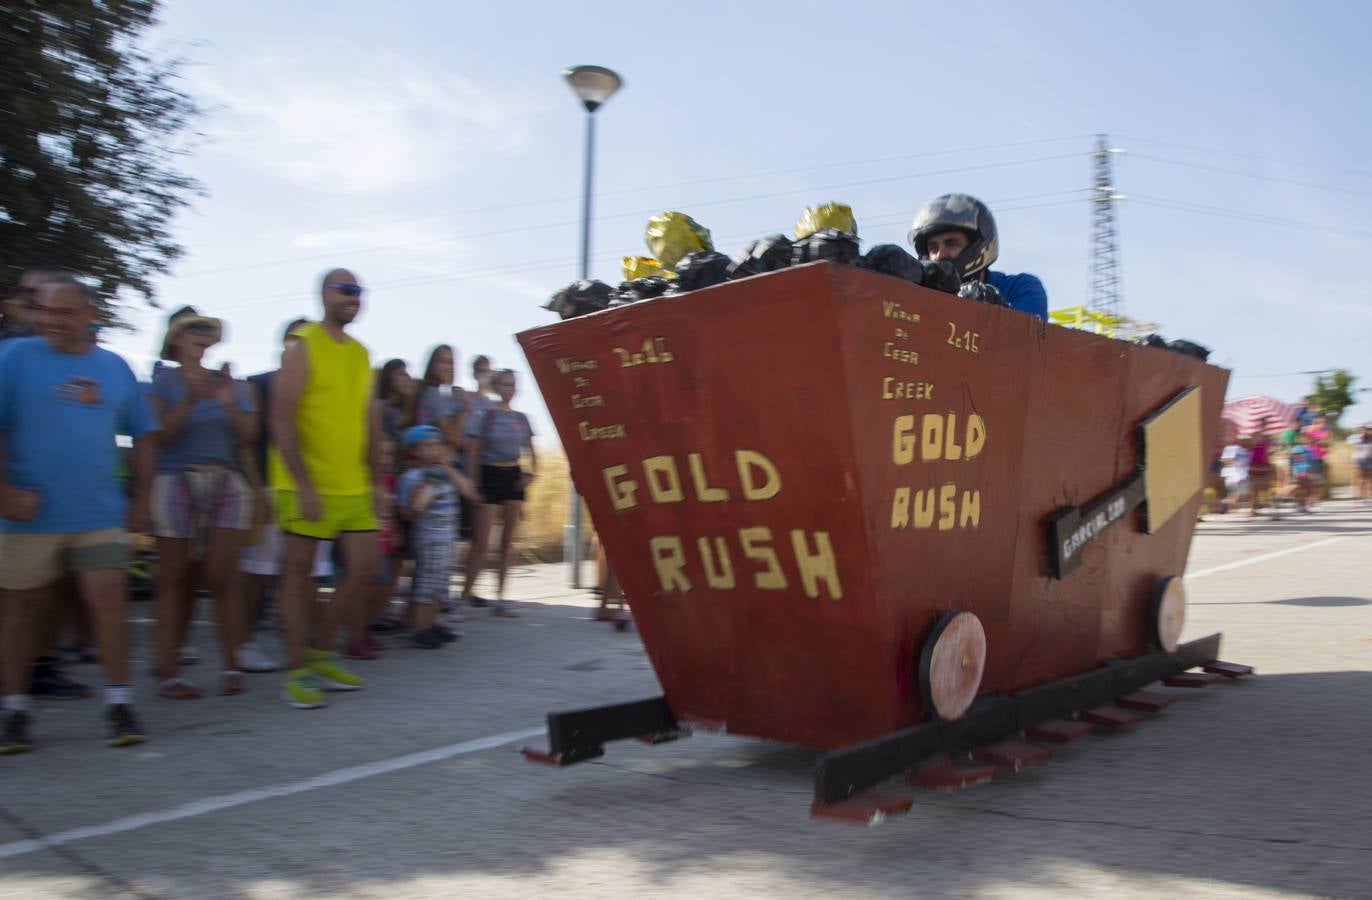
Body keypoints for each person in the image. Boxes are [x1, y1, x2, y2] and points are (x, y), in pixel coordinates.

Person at [0, 274, 155, 753]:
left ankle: (119, 702)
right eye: (44, 311)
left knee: (108, 600)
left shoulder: (115, 368)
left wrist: (142, 500)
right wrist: (3, 492)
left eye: (64, 312)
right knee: (21, 611)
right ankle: (14, 709)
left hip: (97, 511)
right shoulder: (13, 359)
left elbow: (143, 432)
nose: (51, 321)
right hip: (27, 515)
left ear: (91, 314)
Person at [270, 268, 381, 709]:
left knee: (364, 570)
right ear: (324, 295)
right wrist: (303, 484)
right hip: (307, 486)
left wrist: (377, 480)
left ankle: (319, 652)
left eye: (359, 291)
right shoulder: (304, 344)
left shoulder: (361, 354)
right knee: (298, 578)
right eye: (346, 289)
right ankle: (298, 671)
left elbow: (371, 421)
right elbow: (280, 417)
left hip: (353, 486)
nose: (354, 297)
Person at [147, 307, 256, 699]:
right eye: (190, 329)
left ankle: (232, 666)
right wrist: (191, 401)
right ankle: (168, 671)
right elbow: (157, 435)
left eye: (203, 330)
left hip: (223, 477)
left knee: (222, 576)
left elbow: (248, 434)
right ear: (175, 339)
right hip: (175, 477)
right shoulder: (162, 380)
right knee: (174, 581)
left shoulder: (229, 382)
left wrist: (227, 404)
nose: (198, 334)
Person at [460, 369, 537, 617]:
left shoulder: (522, 418)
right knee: (481, 542)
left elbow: (531, 450)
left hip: (513, 476)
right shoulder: (485, 415)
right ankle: (465, 595)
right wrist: (473, 484)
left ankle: (502, 598)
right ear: (496, 386)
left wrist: (531, 474)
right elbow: (472, 451)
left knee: (508, 542)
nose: (509, 389)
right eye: (505, 384)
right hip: (488, 474)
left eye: (513, 384)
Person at [396, 425, 478, 648]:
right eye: (428, 445)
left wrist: (449, 468)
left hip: (448, 537)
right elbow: (405, 511)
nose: (435, 450)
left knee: (440, 585)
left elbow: (469, 490)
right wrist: (416, 507)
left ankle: (432, 624)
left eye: (437, 445)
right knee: (427, 584)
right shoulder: (412, 477)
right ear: (415, 450)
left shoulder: (444, 474)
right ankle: (421, 629)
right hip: (429, 538)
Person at [908, 193, 1048, 319]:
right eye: (933, 248)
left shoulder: (1020, 287)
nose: (939, 255)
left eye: (951, 243)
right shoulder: (919, 293)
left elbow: (1026, 340)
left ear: (977, 246)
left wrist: (996, 308)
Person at [1, 267, 55, 342]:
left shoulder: (69, 342)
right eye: (22, 290)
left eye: (35, 291)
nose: (26, 297)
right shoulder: (10, 338)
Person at [1351, 424, 1372, 502]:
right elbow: (1355, 448)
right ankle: (1362, 497)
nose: (1366, 431)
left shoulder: (1370, 438)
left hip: (1369, 459)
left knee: (1369, 479)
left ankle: (1369, 496)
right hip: (1360, 460)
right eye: (1364, 429)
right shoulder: (1357, 437)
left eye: (1367, 429)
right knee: (1361, 479)